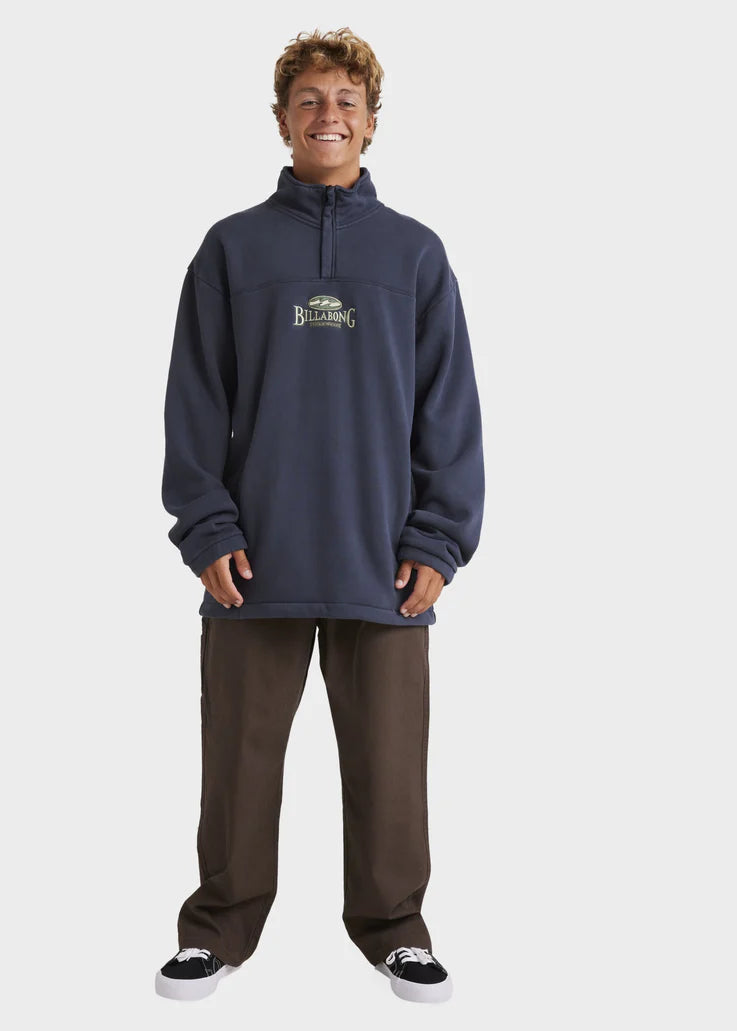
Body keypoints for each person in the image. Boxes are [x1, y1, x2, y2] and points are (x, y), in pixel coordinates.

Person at [154, 26, 485, 1004]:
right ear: (281, 119)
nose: (327, 115)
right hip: (253, 559)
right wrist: (208, 528)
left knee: (390, 767)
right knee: (237, 764)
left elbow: (449, 410)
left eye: (345, 100)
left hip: (383, 559)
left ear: (371, 122)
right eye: (309, 99)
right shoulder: (231, 248)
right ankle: (218, 928)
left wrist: (438, 539)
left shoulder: (415, 254)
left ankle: (395, 930)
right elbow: (194, 402)